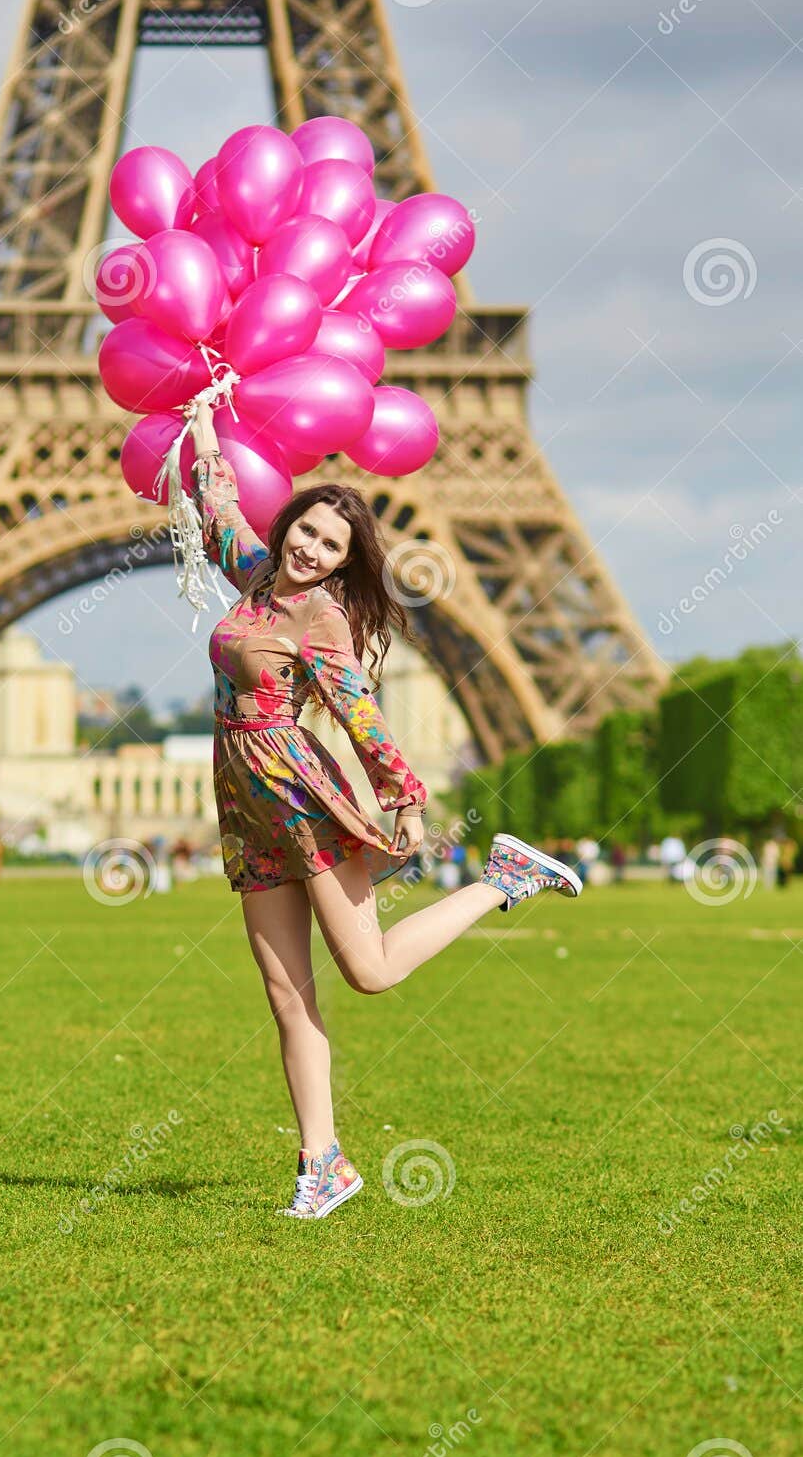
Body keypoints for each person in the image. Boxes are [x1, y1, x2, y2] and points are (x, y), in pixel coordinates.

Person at [182, 392, 584, 1221]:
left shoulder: (322, 618)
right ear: (287, 523)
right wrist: (204, 424)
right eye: (305, 529)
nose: (311, 547)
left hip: (297, 798)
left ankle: (500, 879)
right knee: (285, 994)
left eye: (330, 544)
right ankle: (321, 1162)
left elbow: (358, 712)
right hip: (243, 802)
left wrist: (403, 791)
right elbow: (215, 502)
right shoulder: (254, 577)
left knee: (367, 972)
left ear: (340, 562)